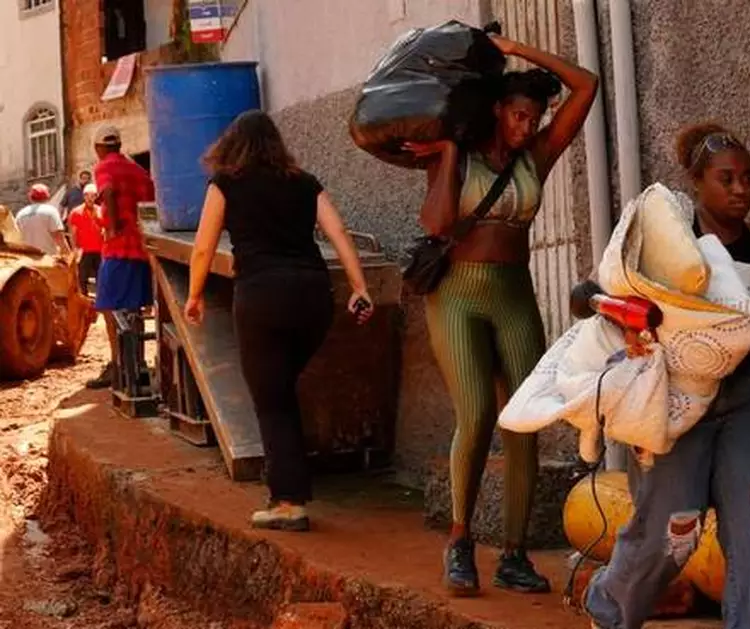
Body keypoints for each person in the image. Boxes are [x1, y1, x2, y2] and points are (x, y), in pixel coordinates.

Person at [581, 124, 750, 629]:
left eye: (748, 178)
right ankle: (610, 609)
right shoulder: (670, 241)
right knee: (672, 530)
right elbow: (612, 297)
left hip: (747, 403)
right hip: (679, 405)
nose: (741, 189)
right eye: (726, 179)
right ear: (697, 182)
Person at [404, 33, 598, 597]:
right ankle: (460, 543)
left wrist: (520, 49)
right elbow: (438, 224)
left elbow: (586, 86)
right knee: (476, 414)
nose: (525, 128)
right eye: (517, 116)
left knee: (527, 424)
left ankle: (514, 554)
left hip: (514, 295)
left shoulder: (534, 156)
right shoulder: (458, 154)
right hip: (457, 297)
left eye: (533, 119)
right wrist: (444, 154)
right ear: (496, 111)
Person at [184, 110, 375, 532]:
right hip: (313, 298)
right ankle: (291, 485)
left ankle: (288, 501)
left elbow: (202, 248)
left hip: (262, 300)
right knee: (281, 391)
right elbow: (338, 233)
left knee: (272, 401)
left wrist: (195, 295)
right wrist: (360, 287)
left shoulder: (226, 184)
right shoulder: (305, 183)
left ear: (233, 145)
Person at [86, 126, 156, 390]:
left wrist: (112, 225)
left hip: (118, 249)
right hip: (141, 250)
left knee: (110, 309)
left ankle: (118, 366)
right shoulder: (138, 171)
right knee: (133, 311)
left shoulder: (105, 166)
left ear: (99, 148)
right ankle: (137, 364)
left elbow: (109, 191)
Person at [68, 183, 104, 296]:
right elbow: (72, 232)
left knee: (101, 276)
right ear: (83, 196)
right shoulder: (76, 212)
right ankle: (83, 297)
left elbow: (105, 228)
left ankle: (101, 299)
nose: (90, 198)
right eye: (87, 195)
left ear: (96, 196)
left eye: (93, 195)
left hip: (99, 249)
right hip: (83, 249)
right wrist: (74, 249)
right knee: (82, 276)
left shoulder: (101, 211)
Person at [15, 183, 70, 255]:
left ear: (30, 197)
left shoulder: (21, 214)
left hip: (27, 259)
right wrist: (68, 255)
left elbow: (15, 238)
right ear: (47, 197)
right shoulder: (50, 211)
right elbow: (59, 237)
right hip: (47, 258)